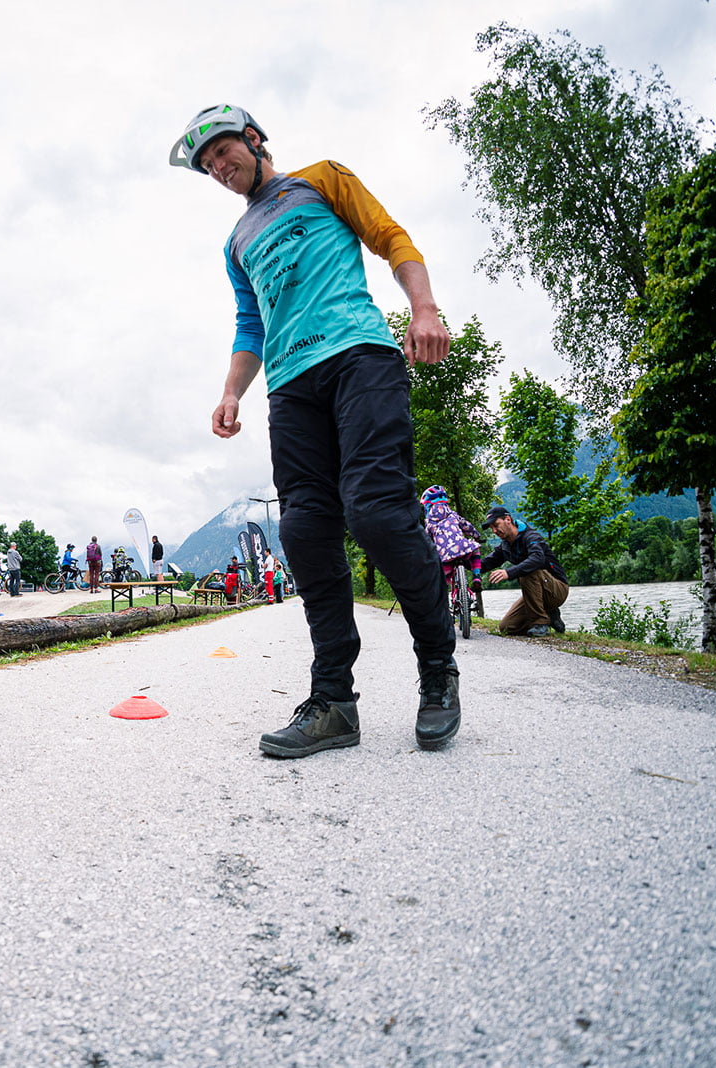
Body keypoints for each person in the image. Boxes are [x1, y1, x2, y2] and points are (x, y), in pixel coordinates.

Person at [171, 103, 460, 757]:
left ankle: (438, 671)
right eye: (207, 166)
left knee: (378, 512)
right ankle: (333, 703)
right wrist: (231, 392)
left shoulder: (322, 179)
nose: (218, 169)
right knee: (303, 531)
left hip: (360, 358)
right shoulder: (237, 243)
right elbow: (251, 323)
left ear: (253, 139)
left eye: (223, 153)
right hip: (291, 387)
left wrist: (423, 309)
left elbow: (391, 238)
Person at [481, 505, 568, 636]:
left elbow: (537, 559)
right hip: (536, 594)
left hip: (557, 590)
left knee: (529, 570)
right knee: (507, 627)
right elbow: (486, 563)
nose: (494, 530)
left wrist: (508, 573)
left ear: (508, 519)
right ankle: (551, 616)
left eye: (496, 525)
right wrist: (462, 561)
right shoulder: (505, 545)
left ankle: (540, 623)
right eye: (491, 528)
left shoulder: (531, 537)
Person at [420, 486, 483, 591]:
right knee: (475, 548)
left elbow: (427, 541)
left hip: (445, 556)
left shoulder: (430, 523)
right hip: (462, 547)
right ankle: (477, 576)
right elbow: (467, 526)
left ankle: (443, 595)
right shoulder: (453, 515)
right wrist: (477, 536)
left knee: (442, 580)